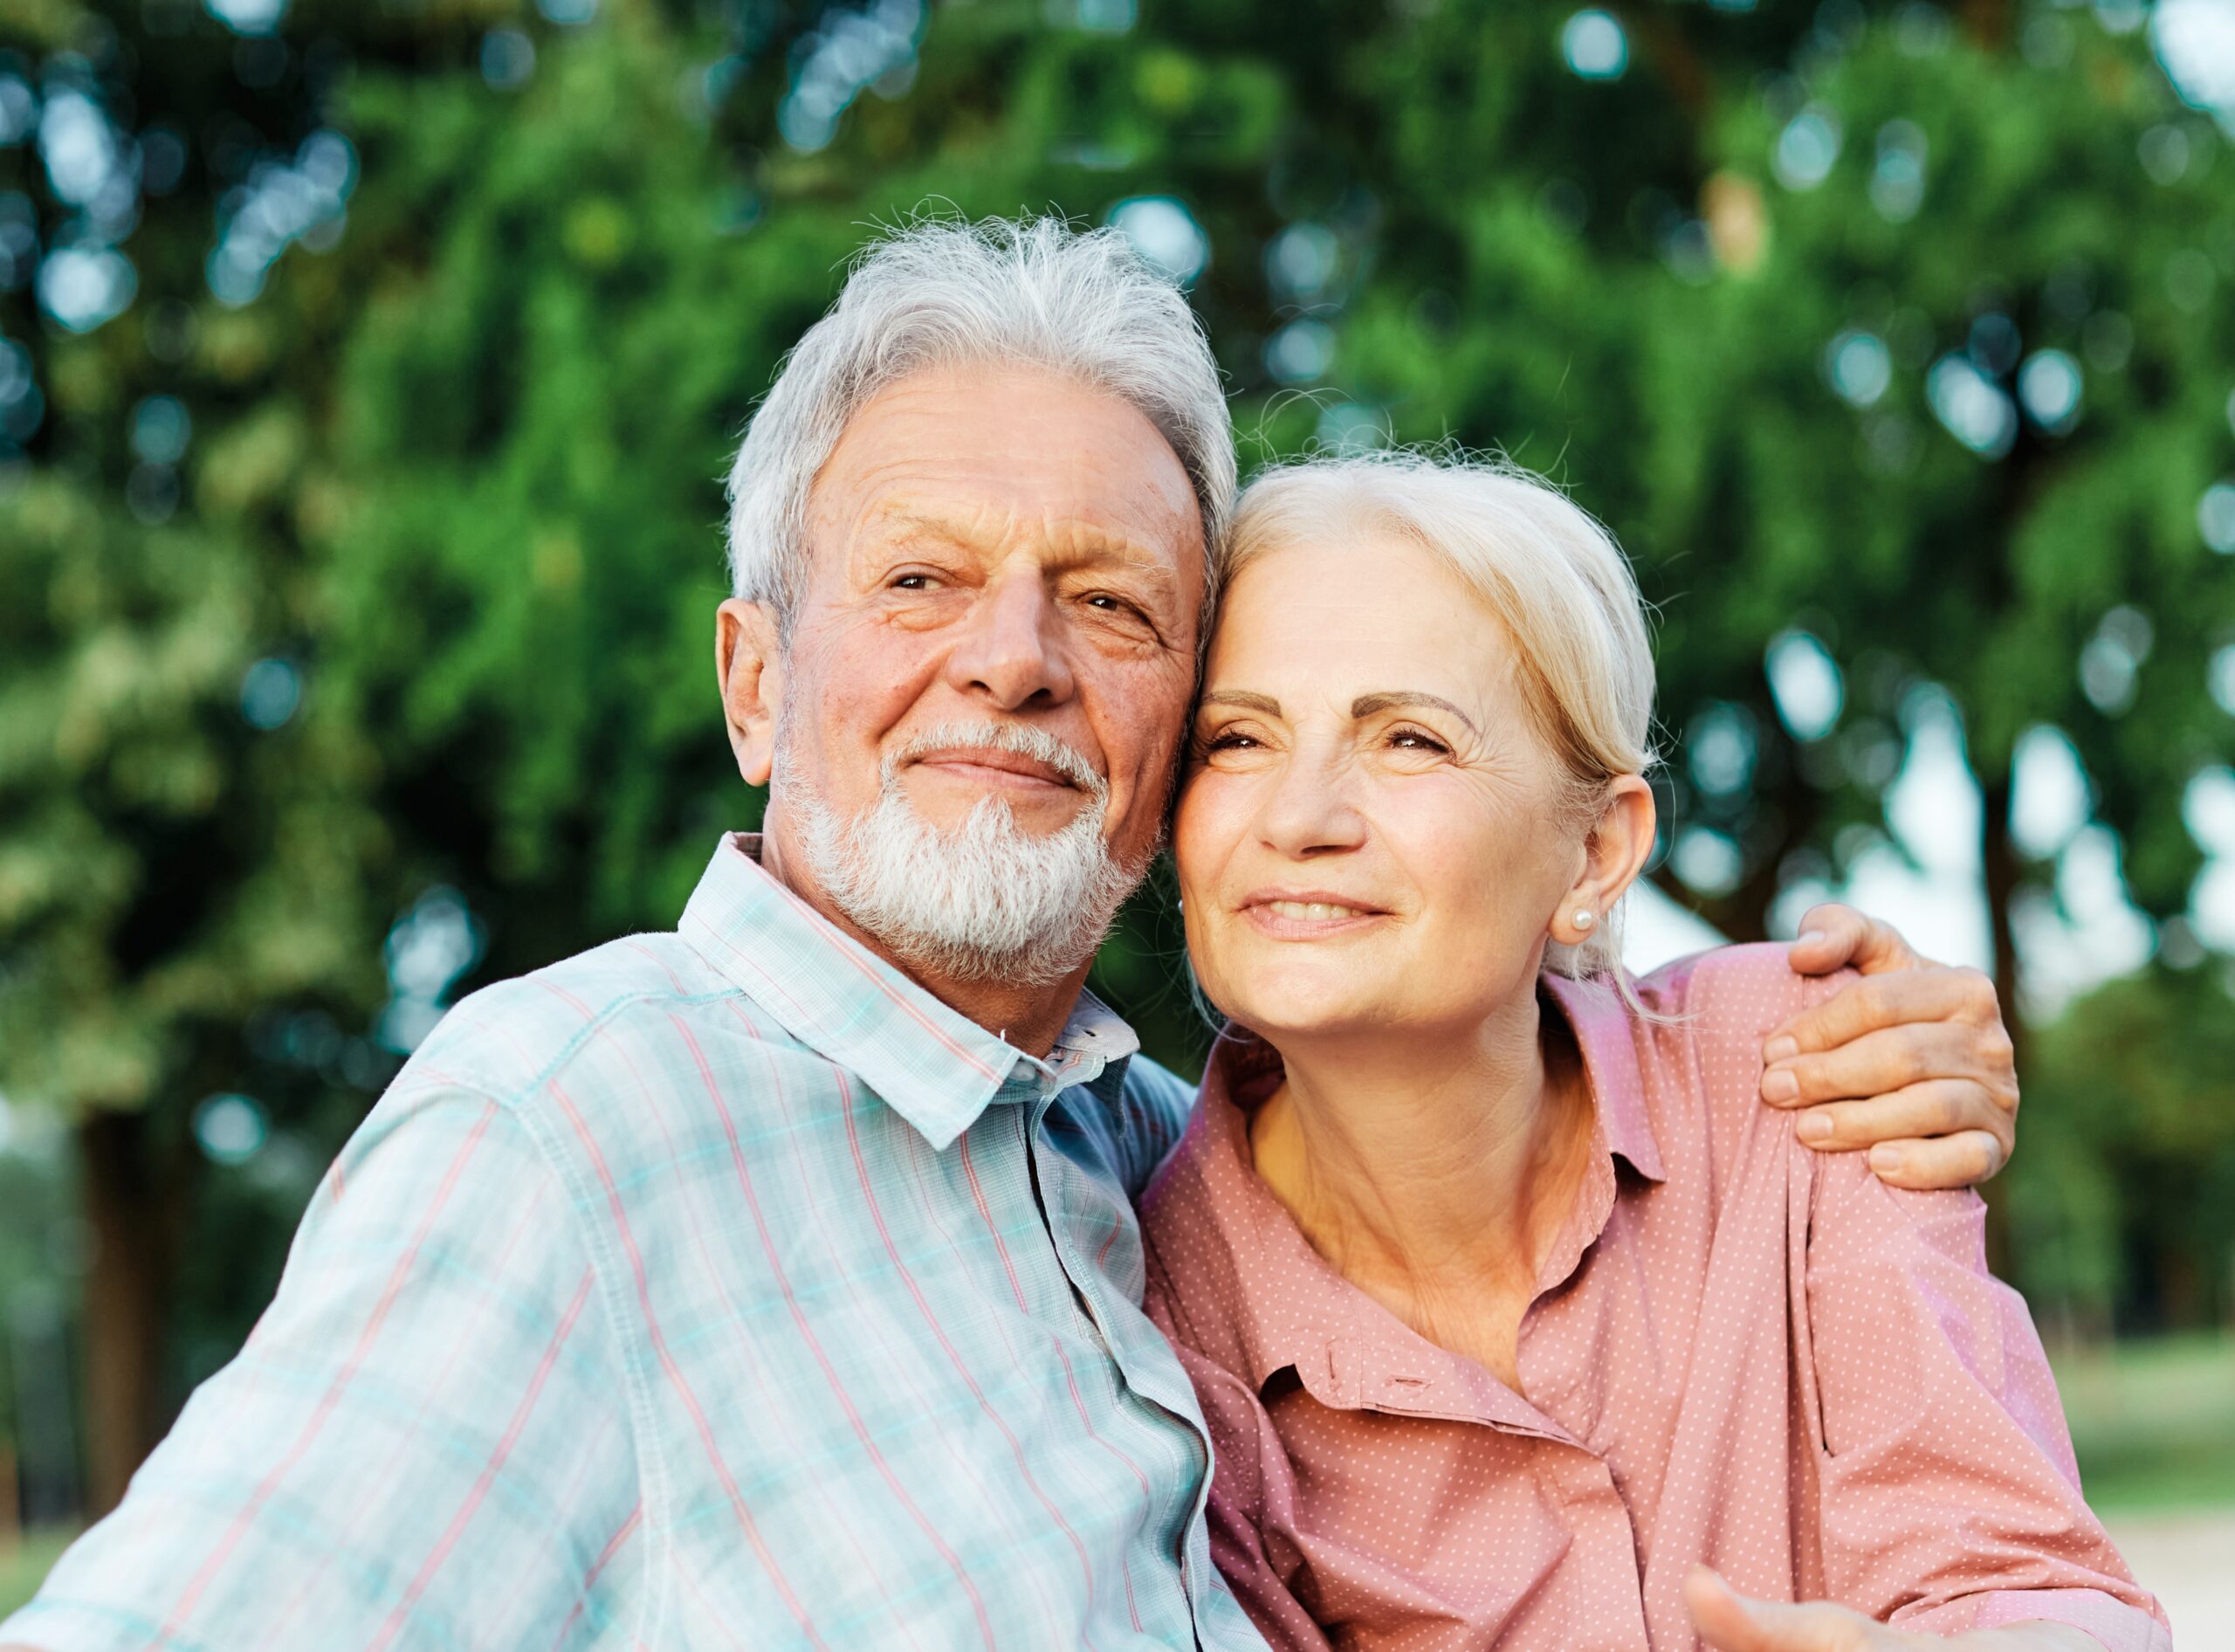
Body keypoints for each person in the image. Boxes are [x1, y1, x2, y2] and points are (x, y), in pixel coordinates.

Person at [3, 219, 2023, 1651]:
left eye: (1115, 607)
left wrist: (1851, 1034)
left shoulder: (1150, 1154)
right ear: (751, 680)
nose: (1013, 661)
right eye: (916, 578)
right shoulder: (574, 1126)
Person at [1139, 451, 2166, 1652]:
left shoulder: (1807, 1071)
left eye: (1410, 739)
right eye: (1237, 741)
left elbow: (2023, 1577)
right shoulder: (1160, 1339)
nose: (1299, 818)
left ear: (1595, 856)